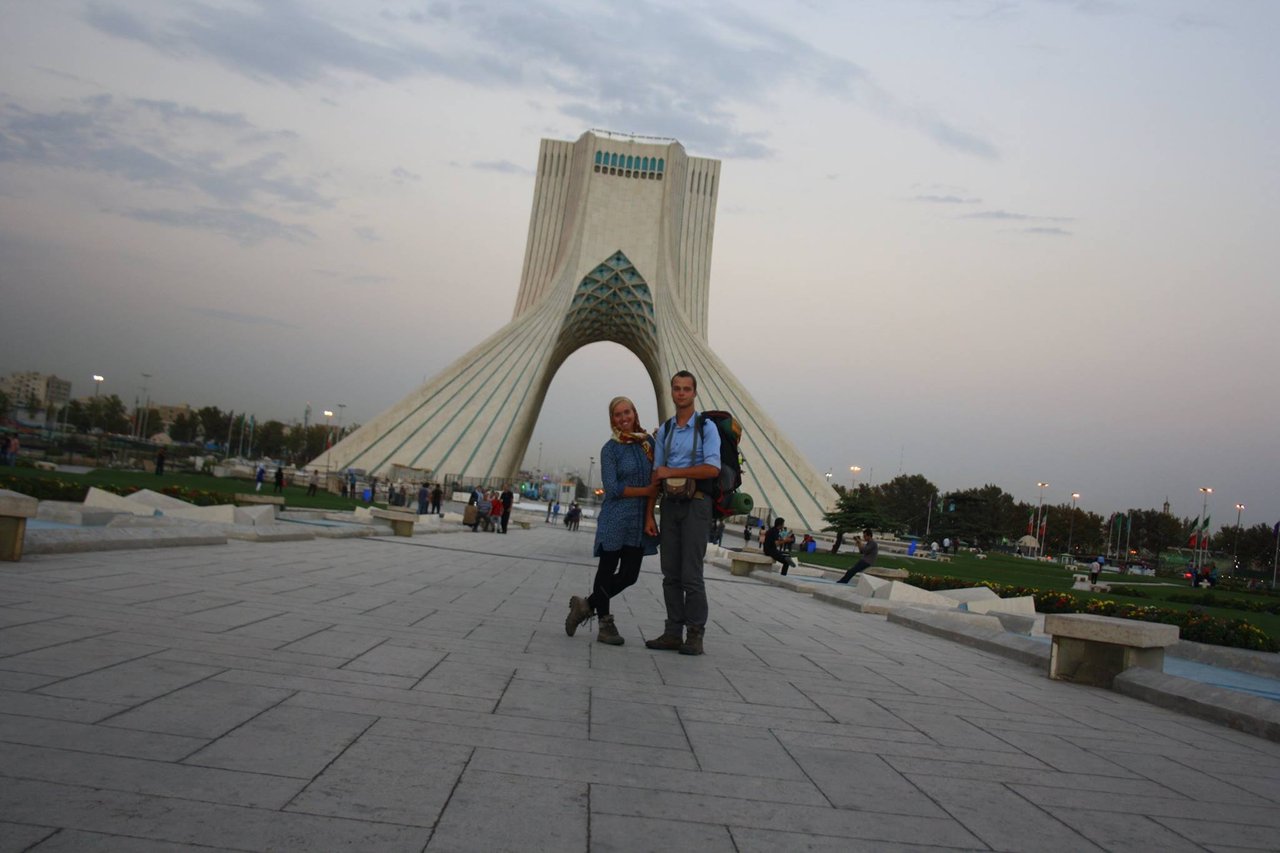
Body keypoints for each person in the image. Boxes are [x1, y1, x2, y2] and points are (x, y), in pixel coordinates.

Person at [565, 396, 659, 645]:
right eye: (618, 414)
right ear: (612, 419)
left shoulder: (648, 444)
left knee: (630, 575)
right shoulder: (610, 449)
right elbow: (613, 488)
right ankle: (606, 625)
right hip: (616, 517)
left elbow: (656, 482)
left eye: (627, 412)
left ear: (635, 412)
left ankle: (585, 606)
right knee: (607, 570)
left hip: (638, 519)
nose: (624, 418)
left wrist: (650, 513)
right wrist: (646, 491)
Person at [645, 370, 721, 656]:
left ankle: (695, 634)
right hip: (671, 505)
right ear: (672, 392)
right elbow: (657, 474)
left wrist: (673, 472)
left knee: (691, 574)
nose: (680, 393)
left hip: (697, 504)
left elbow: (711, 469)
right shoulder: (666, 430)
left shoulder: (706, 428)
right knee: (670, 574)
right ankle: (673, 632)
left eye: (686, 389)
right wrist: (648, 514)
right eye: (676, 388)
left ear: (694, 393)